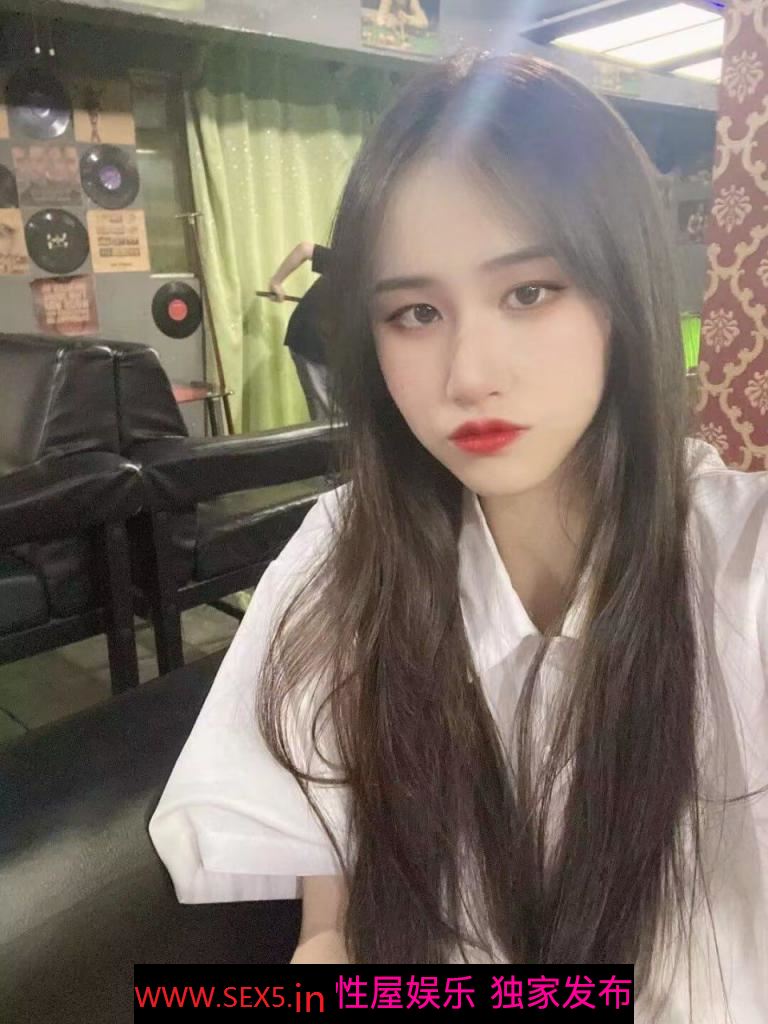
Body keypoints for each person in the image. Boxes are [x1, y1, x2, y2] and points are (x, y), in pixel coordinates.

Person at [149, 53, 767, 1017]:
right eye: (416, 312)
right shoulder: (347, 549)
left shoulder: (741, 563)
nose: (469, 374)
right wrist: (326, 938)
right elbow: (329, 848)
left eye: (528, 292)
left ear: (624, 294)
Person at [268, 240, 332, 421]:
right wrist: (275, 282)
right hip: (311, 337)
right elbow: (305, 249)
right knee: (327, 416)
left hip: (331, 339)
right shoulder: (357, 261)